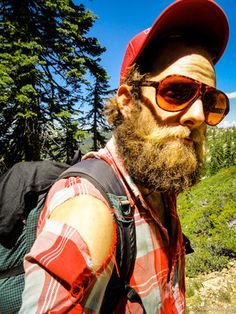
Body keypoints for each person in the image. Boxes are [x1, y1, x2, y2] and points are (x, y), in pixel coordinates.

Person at [20, 0, 230, 313]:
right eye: (175, 92)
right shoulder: (89, 208)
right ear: (128, 102)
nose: (198, 115)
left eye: (211, 101)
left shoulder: (157, 179)